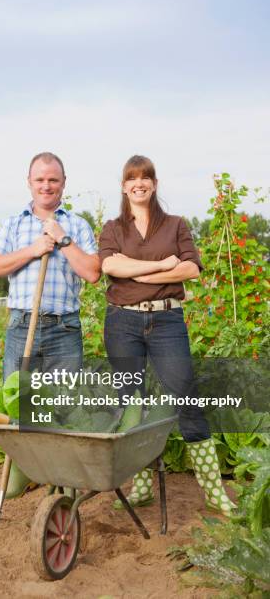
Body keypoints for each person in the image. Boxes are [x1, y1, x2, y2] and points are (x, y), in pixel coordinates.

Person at [99, 155, 235, 516]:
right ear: (124, 186)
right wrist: (162, 267)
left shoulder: (175, 225)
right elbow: (111, 265)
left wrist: (139, 275)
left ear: (154, 185)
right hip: (122, 324)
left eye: (146, 178)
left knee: (186, 397)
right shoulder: (113, 227)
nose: (139, 184)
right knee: (133, 402)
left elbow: (190, 268)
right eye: (132, 179)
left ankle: (213, 490)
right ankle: (142, 484)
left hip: (166, 323)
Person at [0, 151, 100, 496]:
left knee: (64, 405)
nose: (46, 185)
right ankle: (26, 472)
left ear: (63, 184)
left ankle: (65, 482)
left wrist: (62, 239)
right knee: (22, 403)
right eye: (40, 179)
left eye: (53, 180)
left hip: (64, 328)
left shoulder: (77, 224)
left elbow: (92, 273)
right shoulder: (14, 223)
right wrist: (33, 249)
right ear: (29, 183)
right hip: (23, 324)